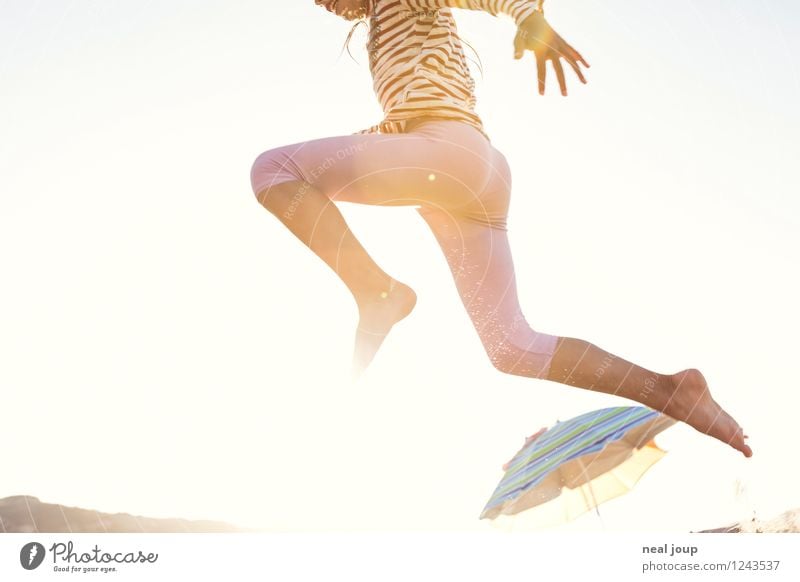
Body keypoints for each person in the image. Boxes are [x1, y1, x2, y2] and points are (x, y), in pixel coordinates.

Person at [249, 0, 752, 457]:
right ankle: (669, 390)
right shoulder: (386, 28)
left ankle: (377, 291)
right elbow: (398, 131)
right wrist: (353, 151)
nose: (322, 4)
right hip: (475, 173)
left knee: (273, 171)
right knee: (511, 348)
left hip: (447, 156)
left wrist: (529, 18)